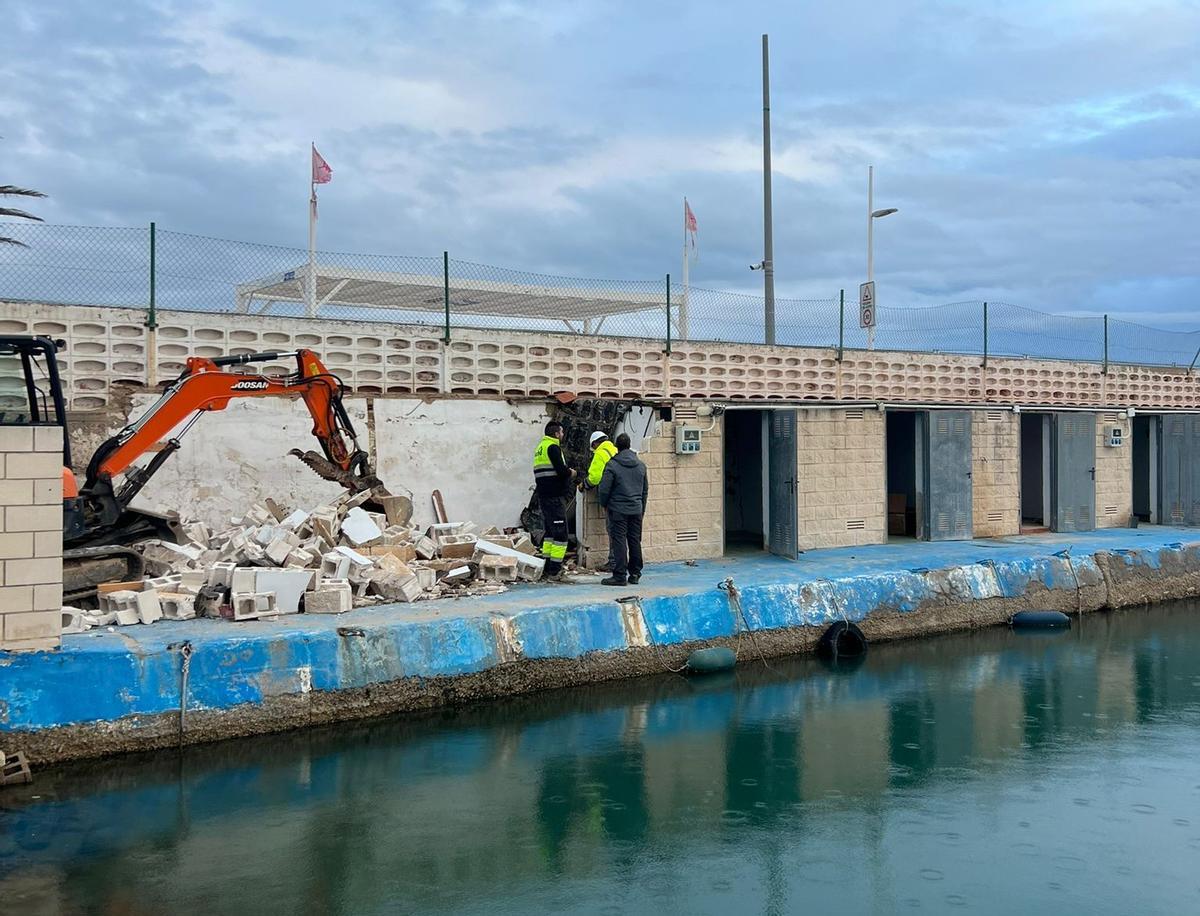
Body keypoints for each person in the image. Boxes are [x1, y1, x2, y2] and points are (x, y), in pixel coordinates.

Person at [597, 433, 648, 587]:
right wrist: (641, 508)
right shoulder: (641, 465)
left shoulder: (612, 465)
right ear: (629, 445)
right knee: (634, 540)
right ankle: (635, 573)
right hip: (636, 509)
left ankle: (619, 575)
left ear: (617, 447)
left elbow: (604, 489)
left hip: (617, 509)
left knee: (619, 541)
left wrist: (604, 504)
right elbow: (644, 491)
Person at [532, 420, 575, 579]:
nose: (563, 435)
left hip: (544, 496)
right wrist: (572, 473)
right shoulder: (553, 447)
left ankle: (547, 566)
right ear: (556, 434)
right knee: (561, 535)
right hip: (555, 497)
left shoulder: (539, 448)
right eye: (562, 432)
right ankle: (555, 570)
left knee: (550, 533)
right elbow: (561, 471)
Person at [585, 430, 619, 572]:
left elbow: (595, 477)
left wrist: (585, 484)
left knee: (612, 530)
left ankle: (613, 562)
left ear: (595, 443)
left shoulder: (600, 453)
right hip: (623, 496)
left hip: (611, 498)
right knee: (622, 532)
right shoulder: (616, 450)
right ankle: (621, 561)